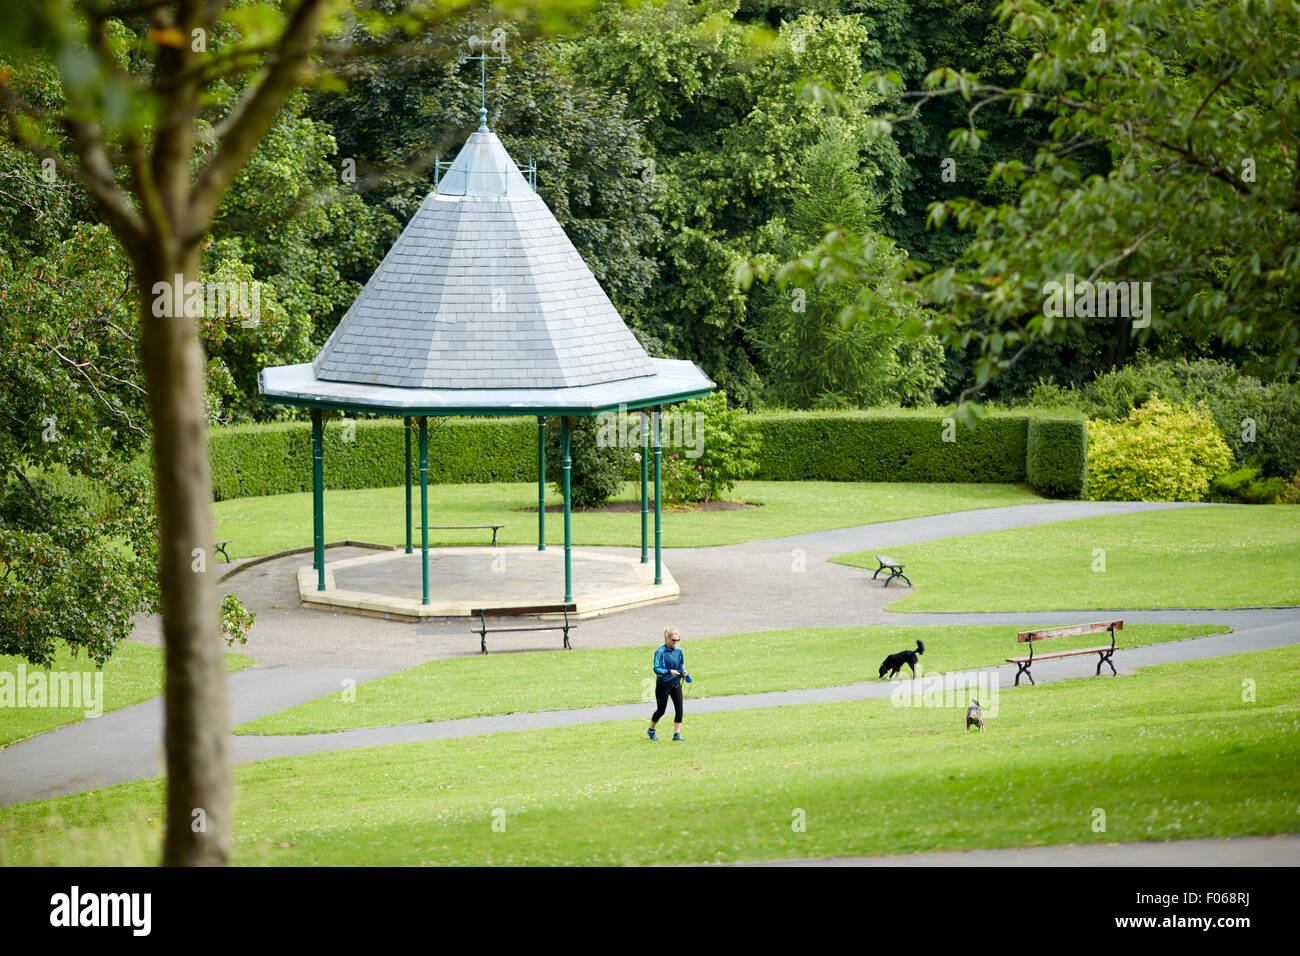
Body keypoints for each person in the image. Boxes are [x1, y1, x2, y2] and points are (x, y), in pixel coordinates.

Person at [648, 626, 687, 741]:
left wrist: (683, 672)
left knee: (679, 709)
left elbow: (681, 665)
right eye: (673, 640)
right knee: (661, 710)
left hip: (676, 684)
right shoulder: (660, 652)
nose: (675, 643)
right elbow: (656, 669)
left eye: (677, 640)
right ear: (667, 638)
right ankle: (651, 730)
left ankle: (676, 735)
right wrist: (669, 672)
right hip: (663, 685)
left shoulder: (679, 651)